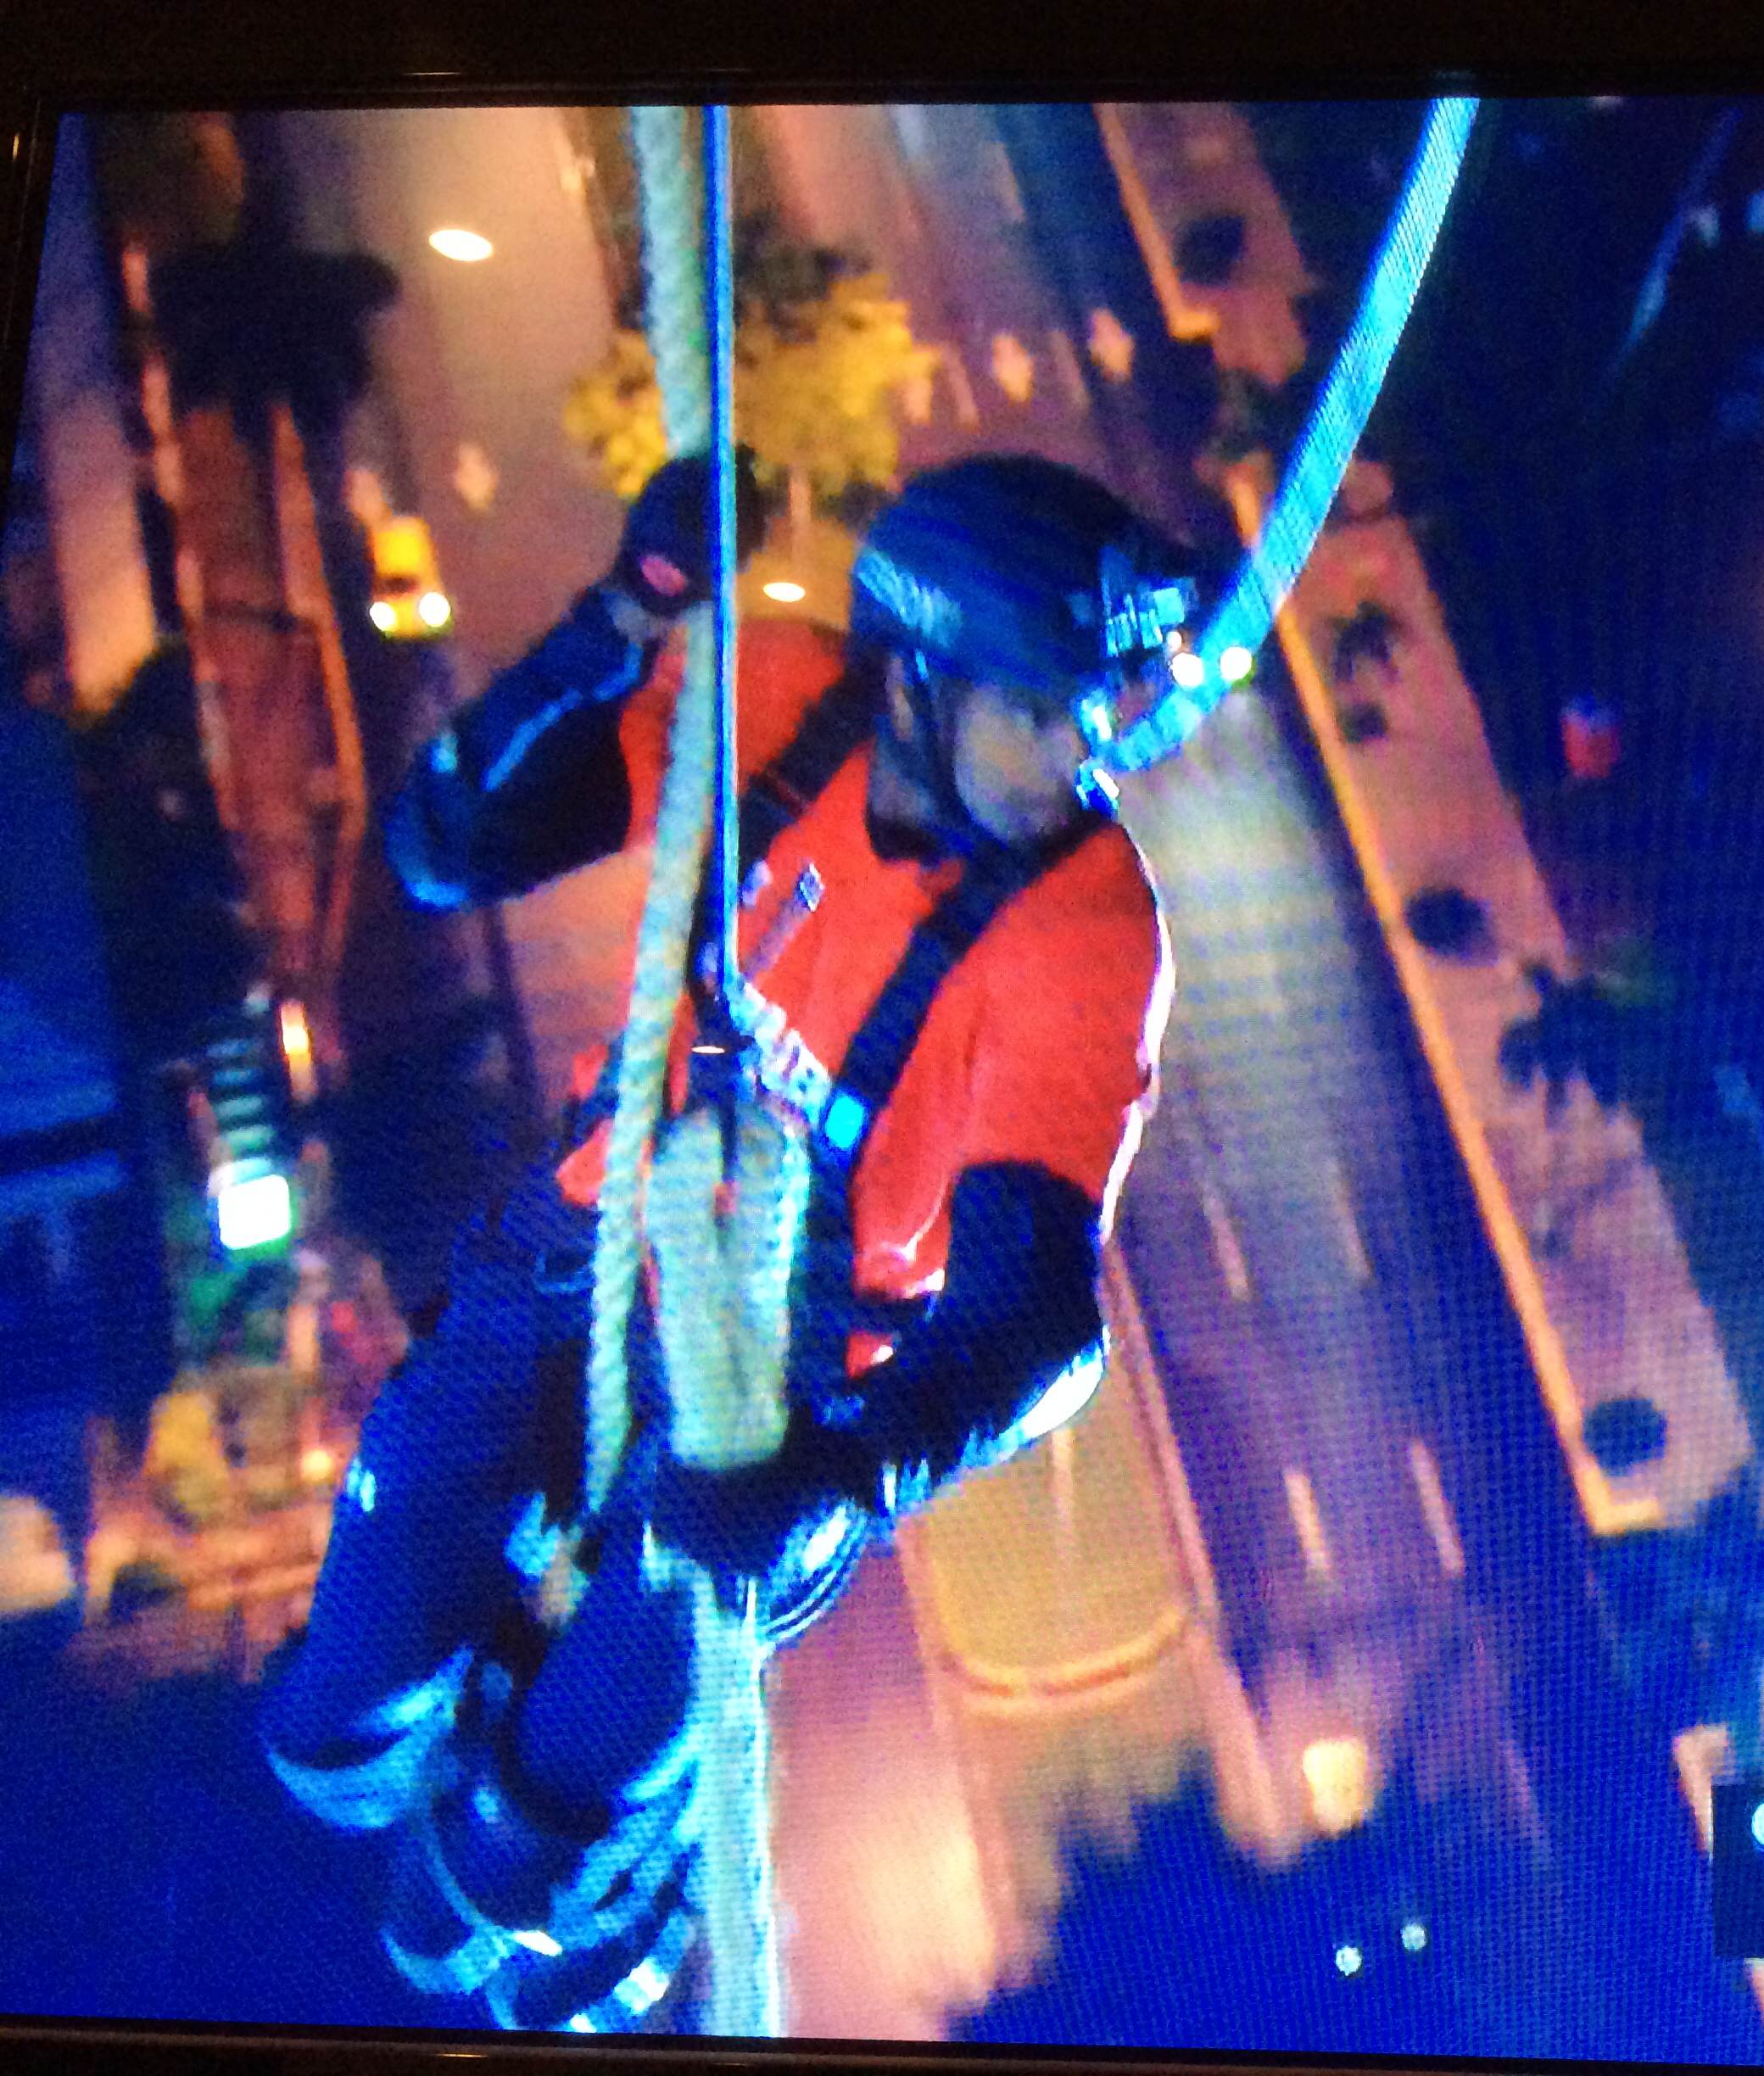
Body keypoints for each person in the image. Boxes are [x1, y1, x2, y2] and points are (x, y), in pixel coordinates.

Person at [260, 449, 1190, 2030]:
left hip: (775, 1402)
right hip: (589, 1242)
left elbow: (1038, 1320)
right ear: (917, 684)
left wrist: (835, 1482)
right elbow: (448, 843)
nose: (1079, 751)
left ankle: (618, 1850)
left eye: (1095, 711)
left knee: (495, 1879)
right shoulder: (779, 707)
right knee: (329, 1746)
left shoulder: (1083, 934)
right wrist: (622, 617)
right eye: (1042, 710)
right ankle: (500, 1683)